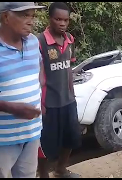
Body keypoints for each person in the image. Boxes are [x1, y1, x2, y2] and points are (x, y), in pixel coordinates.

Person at [0, 2, 45, 178]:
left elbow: (39, 66)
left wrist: (38, 90)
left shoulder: (33, 42)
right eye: (25, 15)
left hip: (32, 132)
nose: (31, 21)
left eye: (32, 16)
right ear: (5, 17)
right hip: (3, 139)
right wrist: (12, 107)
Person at [37, 2, 81, 178]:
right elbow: (38, 76)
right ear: (50, 19)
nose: (62, 23)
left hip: (68, 100)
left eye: (66, 20)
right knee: (46, 144)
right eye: (58, 19)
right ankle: (43, 175)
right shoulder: (40, 42)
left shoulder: (70, 39)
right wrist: (40, 103)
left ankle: (61, 170)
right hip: (49, 103)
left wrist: (72, 92)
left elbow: (69, 68)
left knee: (71, 137)